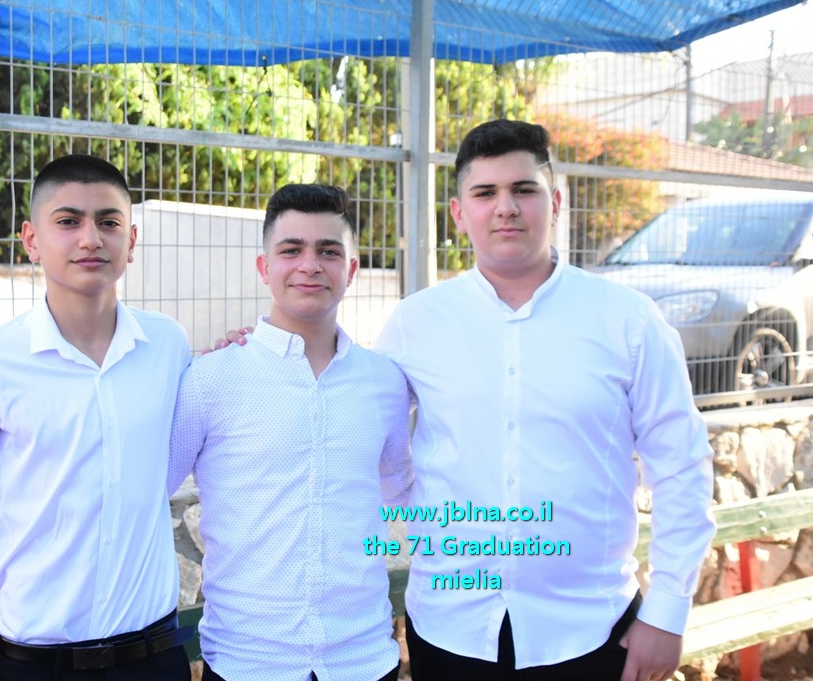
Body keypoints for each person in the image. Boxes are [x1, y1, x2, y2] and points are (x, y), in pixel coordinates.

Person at [374, 119, 716, 681]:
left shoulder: (628, 321)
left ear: (554, 202)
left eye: (524, 189)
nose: (505, 207)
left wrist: (668, 612)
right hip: (450, 629)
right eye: (485, 193)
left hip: (592, 631)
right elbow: (354, 414)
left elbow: (682, 468)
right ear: (458, 212)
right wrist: (256, 352)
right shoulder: (417, 322)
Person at [0, 154, 193, 681]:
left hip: (154, 660)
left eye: (108, 221)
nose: (90, 238)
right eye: (68, 221)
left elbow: (151, 475)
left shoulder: (168, 345)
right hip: (35, 667)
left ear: (131, 241)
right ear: (32, 239)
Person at [167, 183, 413, 681]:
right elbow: (148, 493)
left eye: (329, 251)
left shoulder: (385, 382)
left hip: (363, 660)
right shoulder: (211, 379)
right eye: (291, 250)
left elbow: (402, 491)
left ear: (352, 269)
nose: (310, 265)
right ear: (264, 267)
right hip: (246, 663)